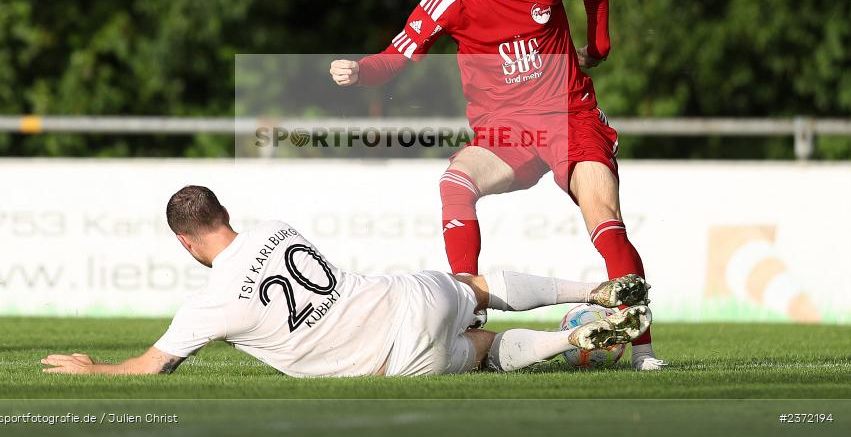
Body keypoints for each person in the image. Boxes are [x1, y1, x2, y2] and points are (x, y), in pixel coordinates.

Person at [329, 0, 665, 370]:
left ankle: (644, 351)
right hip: (504, 132)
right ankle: (471, 312)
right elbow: (399, 54)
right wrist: (361, 71)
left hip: (570, 117)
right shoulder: (447, 0)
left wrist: (600, 46)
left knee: (604, 219)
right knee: (454, 184)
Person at [41, 185, 651, 377]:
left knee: (483, 352)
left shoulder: (207, 304)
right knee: (475, 286)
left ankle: (572, 341)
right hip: (410, 295)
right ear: (224, 215)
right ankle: (591, 292)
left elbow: (154, 367)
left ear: (183, 240)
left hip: (400, 359)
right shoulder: (276, 229)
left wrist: (93, 369)